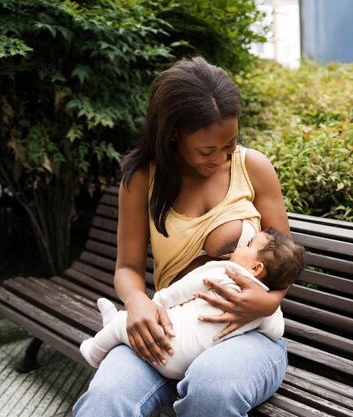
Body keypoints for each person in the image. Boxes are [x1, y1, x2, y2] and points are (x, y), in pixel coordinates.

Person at [73, 56, 293, 417]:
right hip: (168, 330)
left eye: (230, 144)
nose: (222, 157)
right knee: (104, 401)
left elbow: (285, 258)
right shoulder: (143, 178)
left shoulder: (252, 167)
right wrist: (138, 303)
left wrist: (270, 302)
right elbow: (127, 267)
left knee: (212, 390)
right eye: (207, 150)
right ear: (173, 132)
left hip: (245, 336)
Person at [79, 228, 305, 379]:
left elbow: (182, 290)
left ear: (255, 268)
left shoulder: (223, 272)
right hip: (190, 363)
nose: (240, 246)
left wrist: (155, 304)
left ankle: (94, 352)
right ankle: (113, 324)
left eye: (248, 244)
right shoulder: (264, 306)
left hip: (169, 344)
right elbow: (276, 331)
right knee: (124, 326)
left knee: (123, 326)